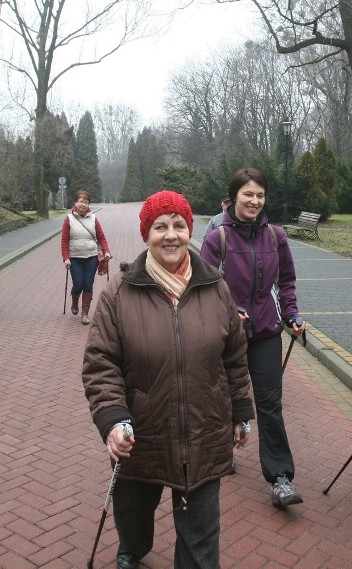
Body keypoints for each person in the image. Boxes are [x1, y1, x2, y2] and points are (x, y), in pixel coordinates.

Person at [82, 190, 254, 569]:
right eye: (160, 226)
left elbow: (235, 357)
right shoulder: (119, 294)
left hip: (205, 431)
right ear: (147, 234)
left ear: (189, 230)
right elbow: (100, 363)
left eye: (179, 225)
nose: (171, 234)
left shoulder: (216, 288)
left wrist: (241, 410)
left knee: (202, 537)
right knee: (134, 511)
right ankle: (134, 546)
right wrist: (113, 419)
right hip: (142, 431)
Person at [200, 167, 307, 508]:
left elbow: (286, 282)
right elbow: (203, 289)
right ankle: (221, 452)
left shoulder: (276, 237)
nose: (255, 201)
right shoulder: (218, 239)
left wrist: (291, 314)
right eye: (248, 194)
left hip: (266, 332)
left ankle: (280, 478)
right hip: (227, 337)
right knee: (223, 400)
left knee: (271, 405)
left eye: (260, 195)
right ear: (233, 197)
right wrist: (229, 310)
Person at [60, 189, 111, 324]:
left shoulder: (94, 219)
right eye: (81, 201)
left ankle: (85, 313)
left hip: (91, 257)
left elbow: (101, 237)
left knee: (88, 285)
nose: (83, 204)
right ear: (75, 203)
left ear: (89, 204)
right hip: (75, 258)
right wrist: (65, 258)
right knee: (78, 284)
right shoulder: (68, 219)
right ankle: (75, 301)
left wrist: (106, 251)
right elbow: (64, 241)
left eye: (86, 202)